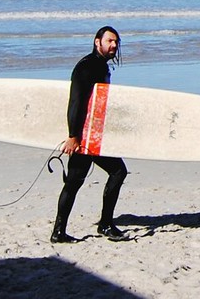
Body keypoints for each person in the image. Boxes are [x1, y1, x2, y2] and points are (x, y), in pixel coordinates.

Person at [52, 26, 131, 243]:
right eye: (109, 41)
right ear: (97, 42)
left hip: (93, 135)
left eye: (116, 42)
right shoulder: (87, 67)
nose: (114, 45)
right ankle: (103, 225)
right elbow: (76, 102)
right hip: (85, 137)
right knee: (115, 172)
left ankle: (60, 232)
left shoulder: (101, 66)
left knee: (76, 181)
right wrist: (73, 136)